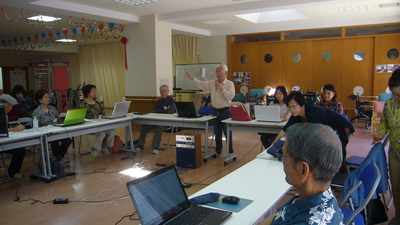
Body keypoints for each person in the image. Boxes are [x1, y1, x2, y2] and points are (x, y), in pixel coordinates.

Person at [260, 123, 344, 224]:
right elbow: (279, 216)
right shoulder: (317, 196)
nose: (282, 160)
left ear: (303, 170)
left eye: (284, 155)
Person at [272, 91, 354, 173]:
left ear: (302, 104)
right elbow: (284, 130)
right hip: (328, 130)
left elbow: (317, 136)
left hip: (342, 126)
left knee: (338, 155)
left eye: (293, 106)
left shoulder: (313, 113)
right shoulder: (296, 116)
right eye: (289, 107)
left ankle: (343, 179)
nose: (291, 110)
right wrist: (274, 144)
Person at [186, 65, 235, 155]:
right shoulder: (212, 83)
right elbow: (201, 84)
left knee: (228, 133)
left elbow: (231, 96)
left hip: (226, 111)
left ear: (226, 73)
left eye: (220, 71)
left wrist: (222, 89)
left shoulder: (229, 84)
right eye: (216, 71)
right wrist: (193, 78)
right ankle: (218, 150)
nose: (218, 73)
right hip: (215, 111)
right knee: (217, 133)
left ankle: (230, 152)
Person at [372, 69, 400, 225]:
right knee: (396, 187)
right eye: (395, 94)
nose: (397, 98)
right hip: (395, 153)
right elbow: (385, 123)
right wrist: (380, 134)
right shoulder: (389, 104)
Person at [32, 89, 72, 166]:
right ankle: (58, 160)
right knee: (54, 142)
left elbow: (58, 120)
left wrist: (64, 124)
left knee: (67, 140)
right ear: (40, 100)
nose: (48, 99)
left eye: (48, 97)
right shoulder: (36, 112)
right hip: (45, 134)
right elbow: (36, 126)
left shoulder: (53, 109)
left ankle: (56, 159)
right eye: (46, 97)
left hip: (56, 132)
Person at [133, 85, 176, 155]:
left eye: (164, 91)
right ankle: (140, 145)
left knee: (158, 127)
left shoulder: (172, 101)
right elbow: (155, 110)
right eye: (161, 91)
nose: (163, 92)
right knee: (144, 126)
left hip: (167, 121)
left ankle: (156, 147)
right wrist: (165, 109)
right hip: (157, 120)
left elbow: (169, 112)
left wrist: (162, 110)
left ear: (168, 91)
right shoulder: (159, 101)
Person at [80, 84, 115, 158]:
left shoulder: (98, 104)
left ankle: (105, 146)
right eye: (93, 90)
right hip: (89, 126)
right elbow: (81, 118)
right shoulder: (83, 105)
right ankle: (94, 148)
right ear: (87, 92)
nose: (95, 92)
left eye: (95, 90)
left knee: (112, 131)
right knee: (102, 133)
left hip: (100, 124)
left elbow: (103, 115)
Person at [0, 94, 26, 178]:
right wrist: (14, 129)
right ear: (2, 103)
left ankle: (12, 173)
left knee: (20, 149)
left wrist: (14, 130)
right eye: (9, 106)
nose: (11, 109)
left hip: (4, 141)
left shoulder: (5, 116)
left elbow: (5, 130)